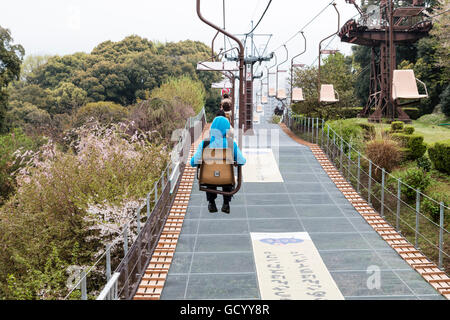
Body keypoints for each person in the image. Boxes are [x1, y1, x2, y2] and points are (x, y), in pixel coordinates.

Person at [190, 116, 246, 214]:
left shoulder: (205, 144)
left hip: (208, 179)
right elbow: (242, 161)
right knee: (226, 175)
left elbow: (193, 162)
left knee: (210, 176)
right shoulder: (230, 144)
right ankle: (226, 203)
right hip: (226, 179)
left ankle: (211, 202)